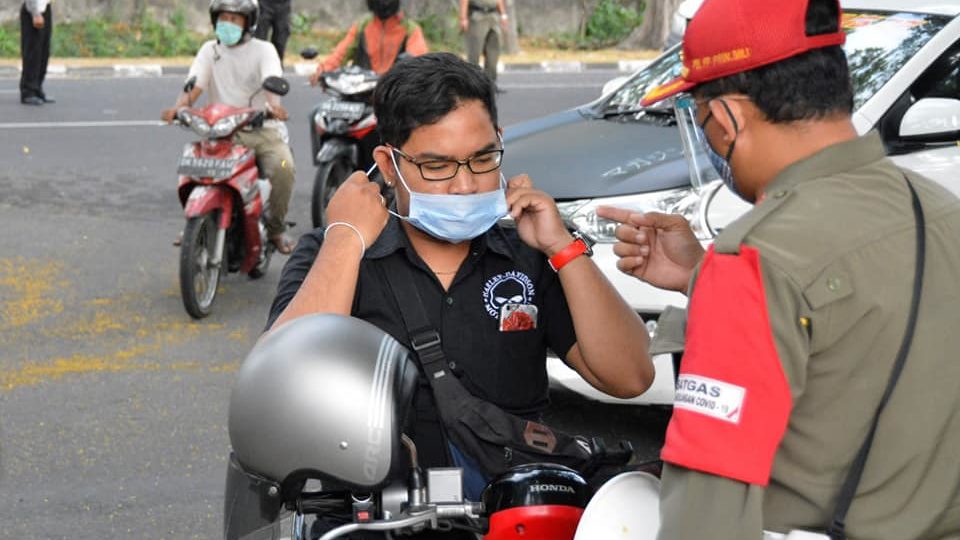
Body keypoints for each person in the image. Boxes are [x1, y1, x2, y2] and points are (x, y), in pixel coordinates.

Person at [226, 51, 653, 539]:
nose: (465, 185)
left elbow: (630, 376)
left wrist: (564, 249)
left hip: (510, 517)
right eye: (436, 166)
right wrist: (345, 237)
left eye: (483, 159)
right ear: (389, 164)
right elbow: (281, 389)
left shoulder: (527, 255)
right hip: (371, 522)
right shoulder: (335, 254)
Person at [599, 0, 960, 538]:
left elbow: (706, 516)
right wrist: (703, 277)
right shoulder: (941, 211)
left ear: (727, 119)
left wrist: (723, 281)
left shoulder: (754, 259)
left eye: (701, 122)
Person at [162, 0, 296, 254]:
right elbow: (194, 86)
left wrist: (273, 106)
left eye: (235, 19)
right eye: (223, 18)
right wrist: (178, 108)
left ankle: (276, 229)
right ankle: (196, 219)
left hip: (261, 130)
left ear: (249, 22)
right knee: (193, 167)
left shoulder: (264, 50)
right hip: (221, 132)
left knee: (284, 167)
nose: (228, 24)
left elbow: (271, 81)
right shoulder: (209, 50)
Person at [308, 0, 428, 85]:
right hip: (360, 90)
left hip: (393, 94)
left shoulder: (410, 29)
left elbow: (418, 57)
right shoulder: (362, 26)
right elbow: (341, 53)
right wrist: (323, 69)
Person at [459, 0, 508, 89]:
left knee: (493, 51)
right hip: (478, 16)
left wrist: (503, 15)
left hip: (493, 16)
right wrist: (463, 18)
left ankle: (490, 84)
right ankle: (472, 85)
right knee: (474, 53)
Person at [20, 0, 53, 106]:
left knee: (43, 52)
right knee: (32, 53)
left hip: (45, 7)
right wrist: (35, 13)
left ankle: (37, 87)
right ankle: (28, 91)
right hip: (33, 11)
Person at [253, 0, 291, 64]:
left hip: (283, 4)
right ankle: (257, 67)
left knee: (280, 41)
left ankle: (277, 69)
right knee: (259, 40)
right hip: (264, 4)